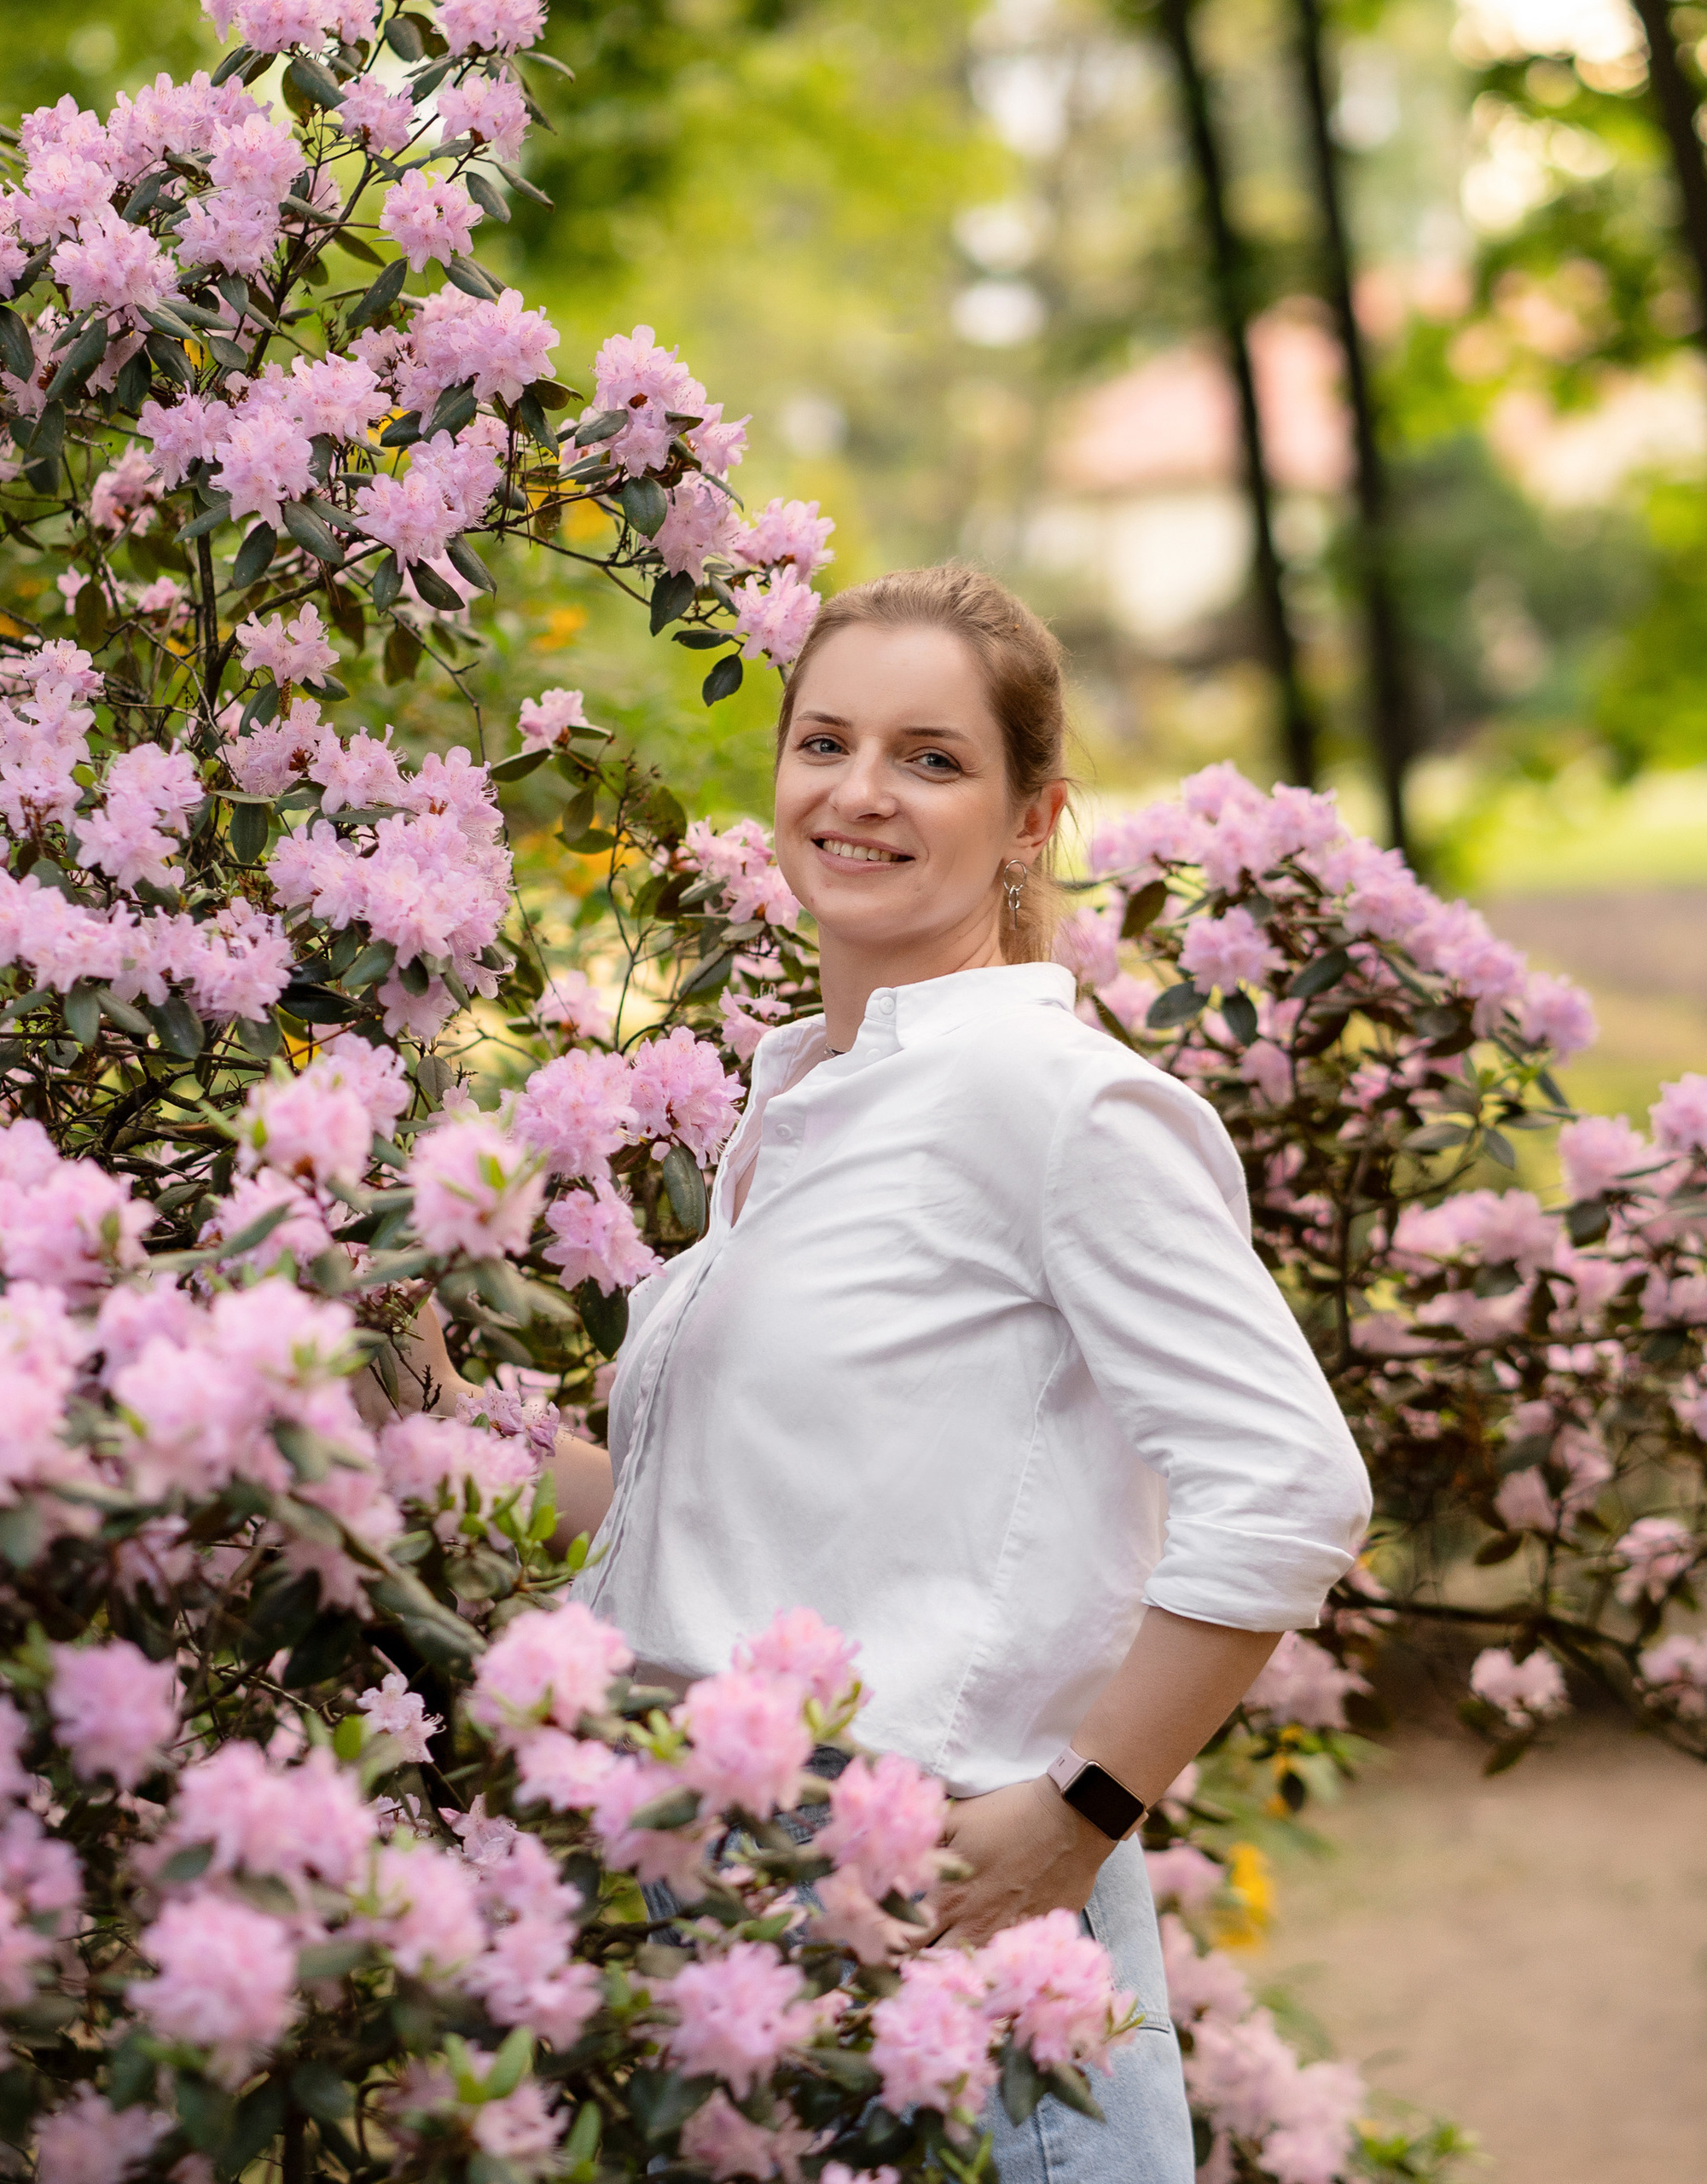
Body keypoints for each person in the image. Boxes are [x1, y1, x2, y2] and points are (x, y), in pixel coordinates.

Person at [433, 565, 1374, 2181]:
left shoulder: (1051, 1098)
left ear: (1031, 821)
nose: (860, 793)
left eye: (932, 758)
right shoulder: (801, 1105)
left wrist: (1078, 1813)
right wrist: (424, 1405)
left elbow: (1289, 1486)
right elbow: (705, 1528)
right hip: (717, 1920)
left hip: (944, 1921)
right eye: (825, 743)